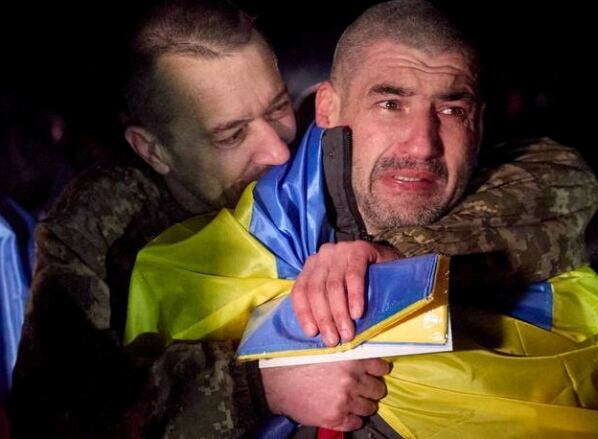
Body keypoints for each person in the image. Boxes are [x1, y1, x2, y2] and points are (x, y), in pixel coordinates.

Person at [126, 1, 598, 437]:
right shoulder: (148, 252)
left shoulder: (520, 201)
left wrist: (397, 266)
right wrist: (259, 386)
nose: (422, 142)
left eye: (452, 110)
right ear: (330, 108)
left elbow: (564, 181)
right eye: (391, 104)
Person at [7, 1, 386, 437]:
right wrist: (257, 385)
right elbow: (51, 414)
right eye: (232, 134)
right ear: (153, 151)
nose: (277, 151)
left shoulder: (326, 148)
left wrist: (383, 254)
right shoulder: (103, 221)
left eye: (278, 108)